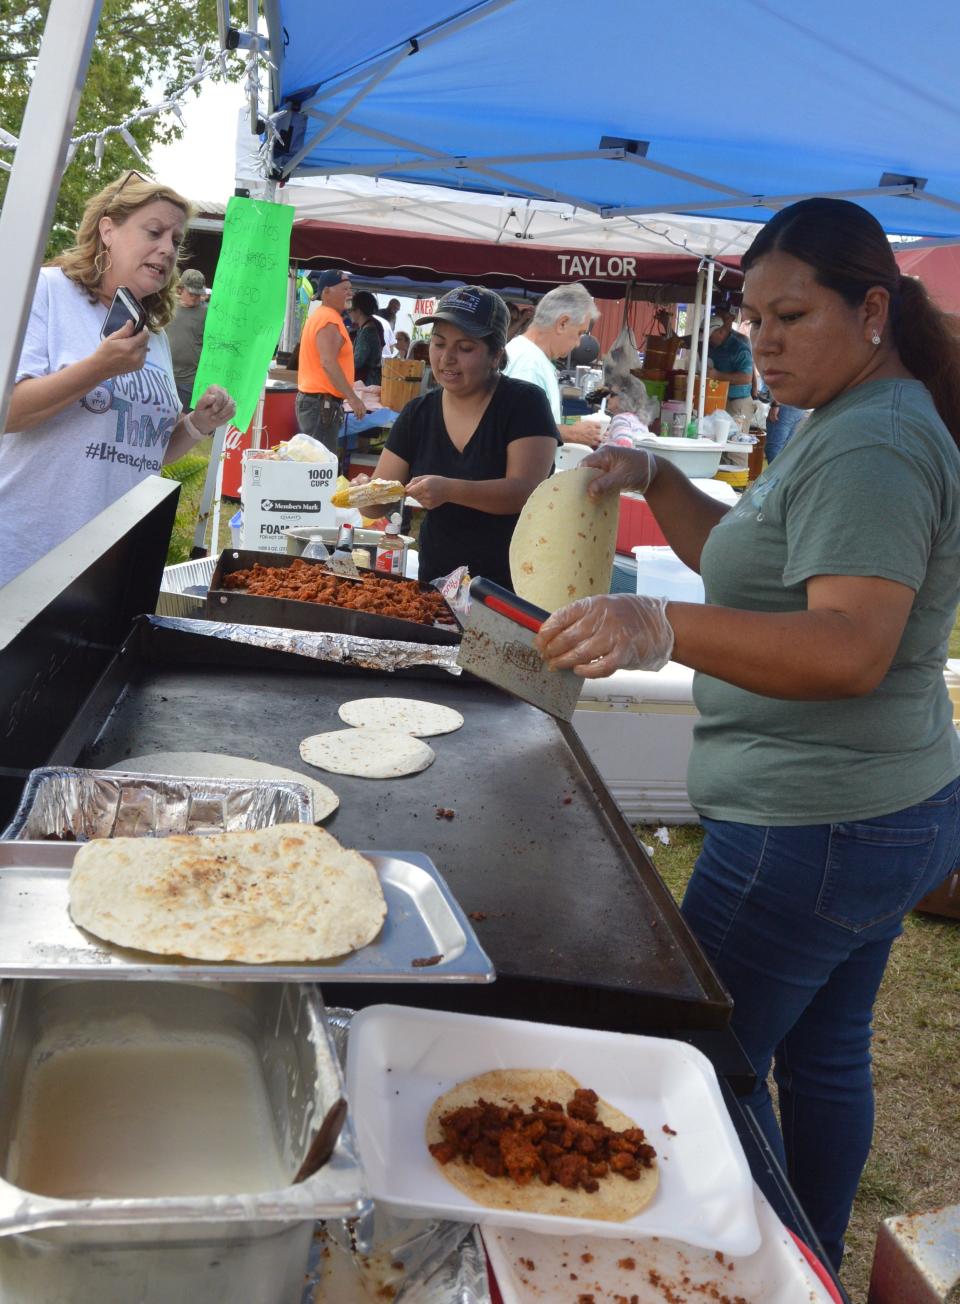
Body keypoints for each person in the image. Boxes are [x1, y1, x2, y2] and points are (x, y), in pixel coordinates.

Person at [534, 197, 960, 1272]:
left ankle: (777, 1272)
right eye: (754, 317)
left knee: (699, 1053)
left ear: (873, 309)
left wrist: (657, 623)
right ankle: (812, 1259)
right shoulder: (847, 416)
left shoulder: (877, 443)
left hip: (810, 823)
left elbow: (848, 645)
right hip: (876, 809)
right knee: (821, 1057)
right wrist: (661, 480)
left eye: (792, 314)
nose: (762, 338)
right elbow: (752, 564)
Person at [0, 170, 236, 590]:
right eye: (154, 232)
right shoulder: (46, 291)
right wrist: (100, 367)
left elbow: (142, 453)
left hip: (109, 564)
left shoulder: (153, 334)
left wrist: (199, 423)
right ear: (107, 230)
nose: (167, 249)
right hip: (28, 553)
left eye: (176, 241)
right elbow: (9, 413)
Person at [365, 285, 558, 588]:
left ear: (495, 354)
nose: (447, 358)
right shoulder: (418, 413)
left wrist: (451, 490)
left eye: (465, 348)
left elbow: (526, 491)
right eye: (439, 344)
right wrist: (366, 491)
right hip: (436, 585)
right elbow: (377, 504)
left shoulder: (524, 403)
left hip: (509, 588)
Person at [503, 282, 602, 448]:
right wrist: (573, 433)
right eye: (579, 333)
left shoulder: (529, 356)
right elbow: (521, 430)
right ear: (562, 323)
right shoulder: (529, 364)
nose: (578, 343)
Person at [296, 268, 365, 459]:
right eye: (344, 289)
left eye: (350, 289)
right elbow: (328, 362)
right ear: (326, 292)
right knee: (320, 468)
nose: (349, 293)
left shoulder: (324, 316)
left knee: (316, 465)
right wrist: (352, 398)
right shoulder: (328, 319)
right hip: (321, 404)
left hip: (318, 403)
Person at [706, 306, 754, 428]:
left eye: (711, 337)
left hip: (738, 402)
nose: (709, 341)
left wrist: (717, 375)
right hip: (720, 400)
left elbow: (746, 377)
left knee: (735, 442)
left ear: (721, 332)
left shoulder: (740, 348)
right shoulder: (713, 345)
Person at [166, 267, 208, 408]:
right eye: (191, 293)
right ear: (180, 289)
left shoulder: (206, 313)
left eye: (198, 294)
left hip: (189, 381)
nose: (195, 298)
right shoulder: (167, 307)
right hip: (165, 376)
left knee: (184, 421)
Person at [350, 290, 385, 385]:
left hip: (367, 381)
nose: (349, 313)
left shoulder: (367, 332)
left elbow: (358, 361)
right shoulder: (365, 328)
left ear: (358, 311)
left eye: (351, 309)